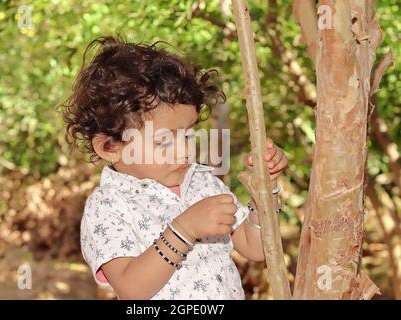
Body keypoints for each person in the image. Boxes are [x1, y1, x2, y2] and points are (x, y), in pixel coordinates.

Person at [61, 36, 288, 300]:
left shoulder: (202, 182)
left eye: (189, 134)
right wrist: (184, 229)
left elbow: (256, 248)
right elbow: (130, 289)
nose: (184, 150)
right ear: (109, 147)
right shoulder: (109, 206)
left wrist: (265, 194)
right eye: (163, 141)